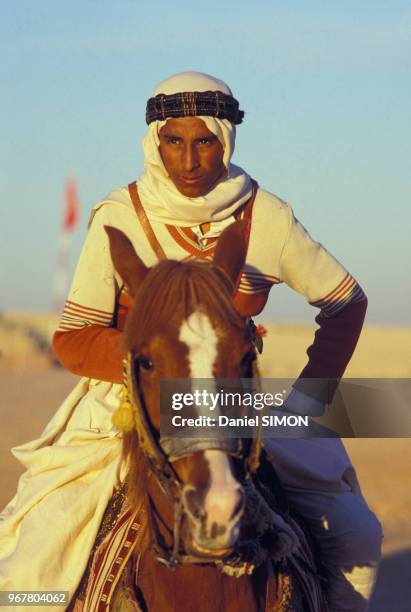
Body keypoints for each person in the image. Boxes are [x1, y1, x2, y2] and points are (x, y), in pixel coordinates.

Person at [0, 72, 382, 611]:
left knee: (355, 535)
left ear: (225, 140)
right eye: (173, 142)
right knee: (31, 565)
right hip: (130, 407)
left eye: (203, 141)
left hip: (236, 404)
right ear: (154, 142)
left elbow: (345, 302)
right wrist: (154, 364)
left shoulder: (265, 216)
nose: (188, 161)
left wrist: (307, 401)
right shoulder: (120, 215)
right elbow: (73, 339)